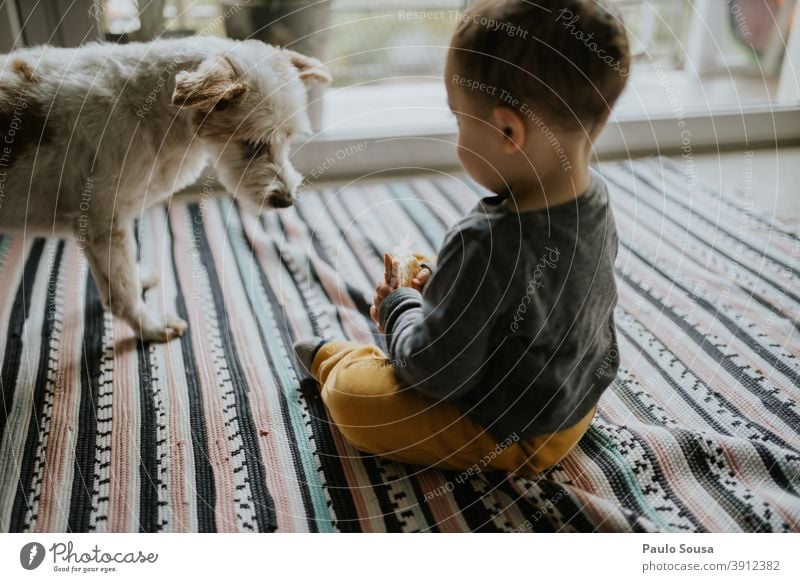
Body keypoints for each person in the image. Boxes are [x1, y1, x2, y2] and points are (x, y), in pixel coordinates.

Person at [294, 0, 629, 475]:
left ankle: (334, 360)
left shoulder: (485, 243)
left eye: (459, 119)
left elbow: (432, 373)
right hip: (577, 403)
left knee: (355, 401)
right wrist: (448, 288)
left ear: (507, 130)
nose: (455, 131)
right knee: (456, 279)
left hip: (510, 433)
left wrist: (400, 308)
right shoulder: (595, 199)